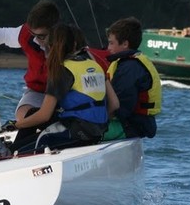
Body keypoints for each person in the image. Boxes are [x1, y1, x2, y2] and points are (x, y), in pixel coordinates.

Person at [8, 23, 118, 155]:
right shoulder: (95, 66)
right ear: (74, 45)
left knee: (19, 150)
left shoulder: (62, 70)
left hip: (78, 131)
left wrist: (16, 125)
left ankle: (12, 152)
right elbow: (114, 105)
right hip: (98, 131)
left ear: (51, 46)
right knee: (32, 113)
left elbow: (44, 115)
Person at [0, 0, 60, 121]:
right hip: (38, 91)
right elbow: (6, 35)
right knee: (23, 115)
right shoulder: (26, 34)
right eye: (33, 34)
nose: (36, 40)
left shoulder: (69, 42)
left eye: (41, 36)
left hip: (63, 93)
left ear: (55, 30)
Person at [102, 17, 161, 140]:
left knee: (84, 135)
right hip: (136, 123)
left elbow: (119, 107)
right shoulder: (129, 62)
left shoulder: (129, 68)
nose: (108, 48)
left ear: (125, 44)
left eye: (111, 43)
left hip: (132, 125)